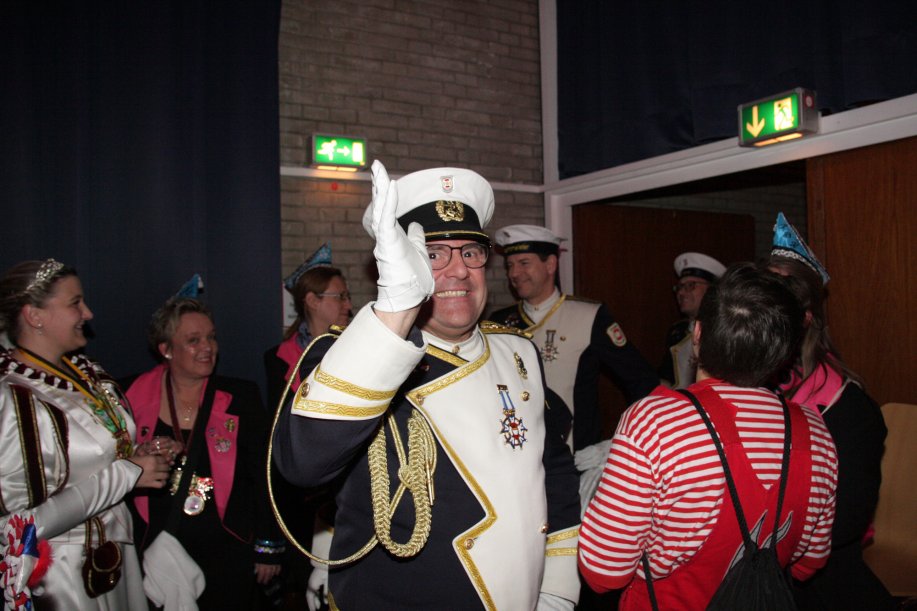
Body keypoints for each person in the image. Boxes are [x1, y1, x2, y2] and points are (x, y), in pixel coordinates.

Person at [272, 161, 581, 610]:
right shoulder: (355, 356)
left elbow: (553, 469)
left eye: (470, 252)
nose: (458, 271)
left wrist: (556, 586)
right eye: (434, 255)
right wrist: (397, 308)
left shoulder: (519, 352)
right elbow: (301, 465)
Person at [578, 262, 839, 609]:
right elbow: (809, 563)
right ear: (783, 351)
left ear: (698, 335)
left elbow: (603, 572)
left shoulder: (655, 422)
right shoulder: (816, 432)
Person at [0, 259, 171, 609]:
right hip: (60, 574)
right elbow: (19, 525)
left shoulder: (87, 373)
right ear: (35, 316)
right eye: (75, 303)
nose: (88, 313)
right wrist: (128, 473)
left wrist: (138, 455)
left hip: (115, 554)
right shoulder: (11, 397)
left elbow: (93, 457)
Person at [124, 295, 285, 609]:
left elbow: (264, 476)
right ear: (166, 349)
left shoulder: (240, 397)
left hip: (228, 552)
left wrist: (268, 546)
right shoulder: (130, 396)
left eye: (211, 337)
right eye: (193, 340)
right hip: (154, 549)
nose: (207, 347)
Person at [767, 212, 894, 610]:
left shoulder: (849, 408)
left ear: (806, 318)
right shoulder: (750, 389)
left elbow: (846, 522)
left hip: (821, 582)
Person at [490, 224, 659, 454]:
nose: (514, 273)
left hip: (575, 456)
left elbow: (642, 380)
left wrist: (624, 443)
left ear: (550, 264)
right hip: (517, 452)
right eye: (510, 265)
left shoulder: (588, 315)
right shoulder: (498, 322)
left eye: (524, 263)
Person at [263, 242, 352, 415]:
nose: (348, 305)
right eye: (341, 297)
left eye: (348, 297)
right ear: (312, 301)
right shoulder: (278, 360)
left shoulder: (357, 348)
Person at [659, 251, 725, 388]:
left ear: (711, 290)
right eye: (679, 287)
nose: (681, 292)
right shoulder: (677, 332)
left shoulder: (725, 332)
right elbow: (667, 378)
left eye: (690, 285)